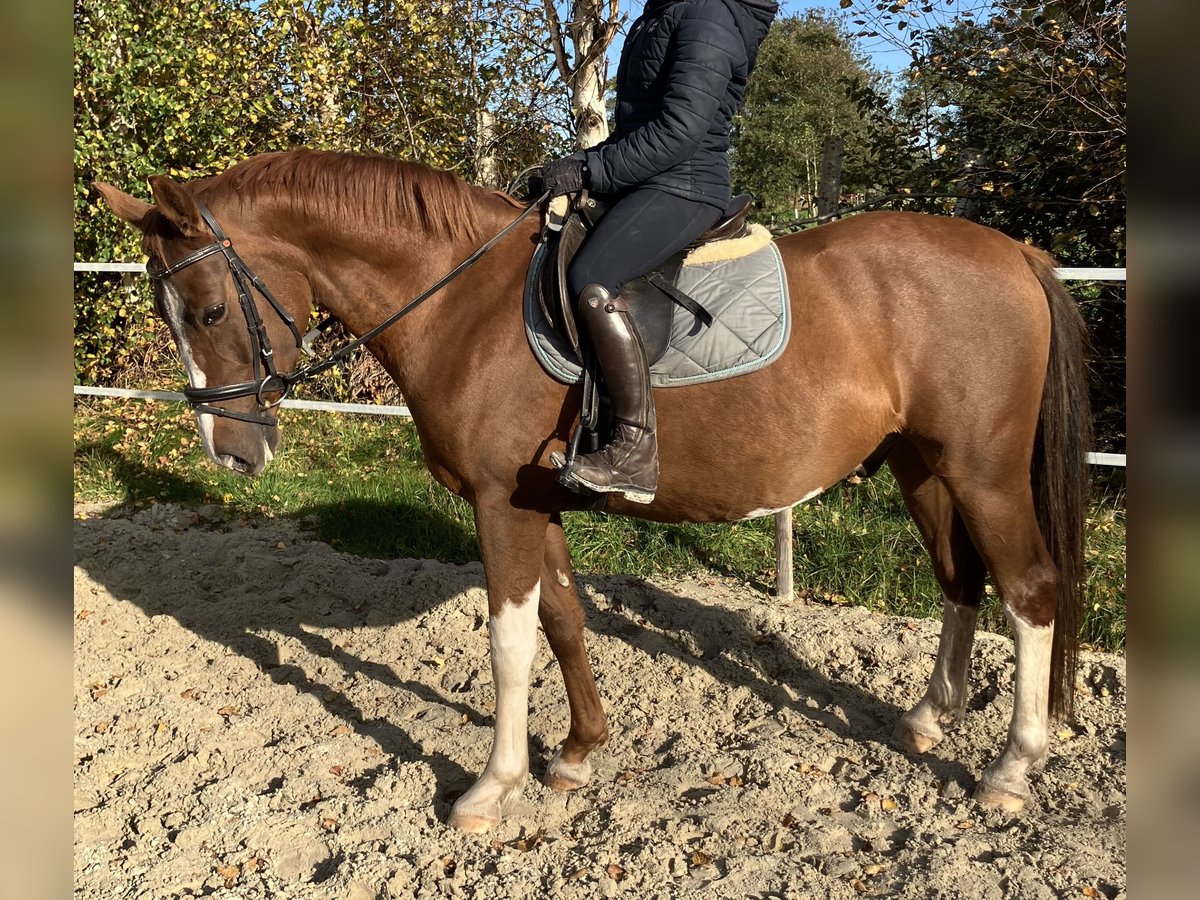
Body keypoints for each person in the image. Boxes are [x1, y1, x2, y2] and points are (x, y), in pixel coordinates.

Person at [542, 0, 779, 504]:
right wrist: (579, 162)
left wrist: (589, 171)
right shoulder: (662, 14)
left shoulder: (707, 16)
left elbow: (679, 130)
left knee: (593, 275)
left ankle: (634, 450)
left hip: (684, 185)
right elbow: (635, 130)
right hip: (650, 179)